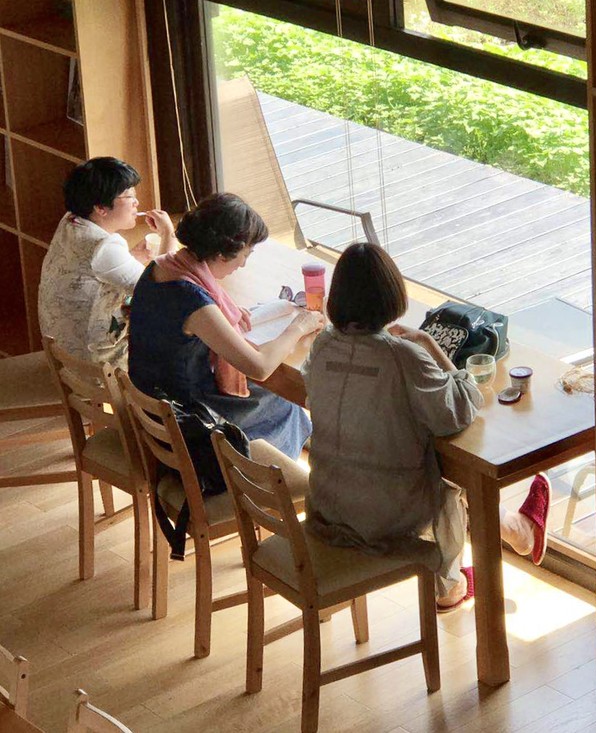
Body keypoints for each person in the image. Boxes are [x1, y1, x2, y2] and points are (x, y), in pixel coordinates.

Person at [301, 243, 550, 611]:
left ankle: (515, 533)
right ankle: (452, 583)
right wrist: (432, 346)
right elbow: (461, 409)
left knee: (431, 464)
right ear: (391, 295)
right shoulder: (404, 356)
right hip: (384, 516)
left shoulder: (323, 345)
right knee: (450, 479)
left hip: (328, 501)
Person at [128, 193, 323, 461]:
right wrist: (299, 327)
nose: (244, 263)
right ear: (221, 254)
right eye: (245, 254)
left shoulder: (162, 266)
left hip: (155, 400)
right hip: (188, 420)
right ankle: (260, 490)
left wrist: (221, 312)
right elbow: (259, 367)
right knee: (285, 404)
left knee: (278, 401)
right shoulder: (192, 300)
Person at [38, 157, 176, 367]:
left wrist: (130, 258)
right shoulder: (105, 247)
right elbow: (164, 291)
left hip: (63, 348)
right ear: (101, 208)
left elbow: (95, 269)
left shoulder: (71, 220)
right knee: (179, 328)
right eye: (129, 196)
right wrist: (168, 234)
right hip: (95, 363)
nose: (136, 203)